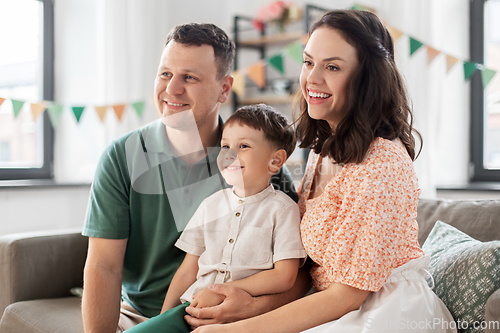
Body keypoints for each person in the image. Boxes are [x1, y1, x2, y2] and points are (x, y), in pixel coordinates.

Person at [189, 10, 456, 333]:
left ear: (366, 79)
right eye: (308, 62)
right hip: (329, 303)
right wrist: (246, 302)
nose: (311, 78)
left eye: (332, 66)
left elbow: (348, 296)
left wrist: (234, 329)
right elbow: (309, 267)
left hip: (380, 310)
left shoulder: (381, 164)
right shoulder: (325, 147)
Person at [81, 23, 309, 333]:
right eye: (165, 74)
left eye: (189, 77)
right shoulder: (121, 156)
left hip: (231, 315)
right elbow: (104, 267)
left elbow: (300, 268)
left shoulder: (255, 159)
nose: (172, 89)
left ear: (224, 88)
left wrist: (254, 307)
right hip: (140, 313)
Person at [126, 104, 308, 332]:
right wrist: (162, 319)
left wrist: (222, 292)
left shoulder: (283, 210)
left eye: (243, 146)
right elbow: (186, 270)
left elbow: (285, 276)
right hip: (193, 310)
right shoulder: (209, 205)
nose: (230, 154)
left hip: (245, 318)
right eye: (225, 146)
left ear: (275, 161)